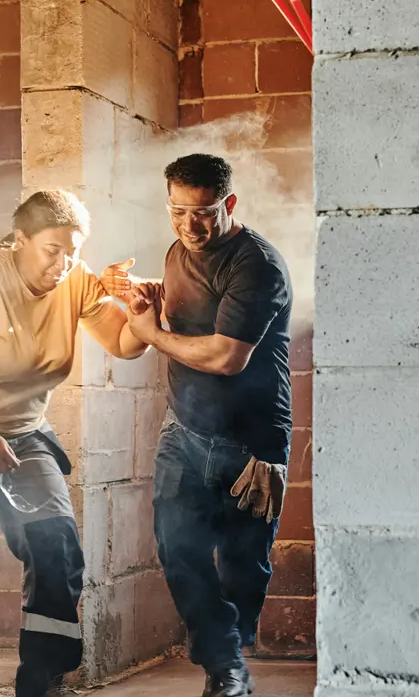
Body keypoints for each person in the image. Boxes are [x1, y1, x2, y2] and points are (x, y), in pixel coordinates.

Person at [101, 154, 293, 697]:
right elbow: (181, 311)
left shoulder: (257, 266)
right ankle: (225, 668)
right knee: (178, 551)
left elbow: (226, 357)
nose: (190, 225)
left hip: (250, 445)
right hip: (183, 431)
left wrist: (151, 333)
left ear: (228, 204)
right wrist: (145, 299)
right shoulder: (177, 251)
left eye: (203, 213)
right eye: (178, 211)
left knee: (242, 568)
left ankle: (229, 656)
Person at [0, 189, 151, 697]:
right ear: (21, 240)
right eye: (52, 250)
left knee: (58, 549)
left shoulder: (75, 280)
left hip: (25, 436)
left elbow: (123, 343)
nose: (63, 263)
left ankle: (43, 681)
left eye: (72, 252)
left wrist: (140, 312)